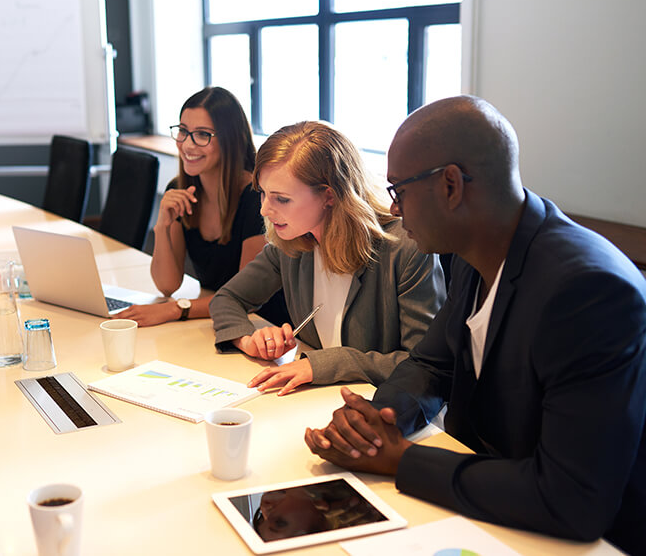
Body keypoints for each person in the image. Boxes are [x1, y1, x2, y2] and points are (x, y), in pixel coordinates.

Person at [304, 96, 646, 554]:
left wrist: (403, 460)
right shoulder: (476, 251)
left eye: (398, 191)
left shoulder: (587, 290)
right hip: (490, 510)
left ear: (450, 185)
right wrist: (376, 423)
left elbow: (573, 499)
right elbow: (431, 364)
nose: (396, 210)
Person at [209, 121, 445, 393]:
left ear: (328, 196)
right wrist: (248, 338)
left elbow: (423, 365)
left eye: (281, 199)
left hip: (384, 410)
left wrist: (324, 364)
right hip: (317, 401)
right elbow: (227, 298)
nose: (264, 210)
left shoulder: (404, 248)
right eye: (262, 194)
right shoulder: (291, 241)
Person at [113, 86, 288, 327]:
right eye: (183, 131)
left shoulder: (255, 197)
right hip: (216, 318)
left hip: (263, 326)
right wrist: (162, 226)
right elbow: (167, 285)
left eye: (203, 135)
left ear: (230, 140)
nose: (187, 144)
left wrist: (175, 309)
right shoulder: (180, 190)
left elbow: (246, 297)